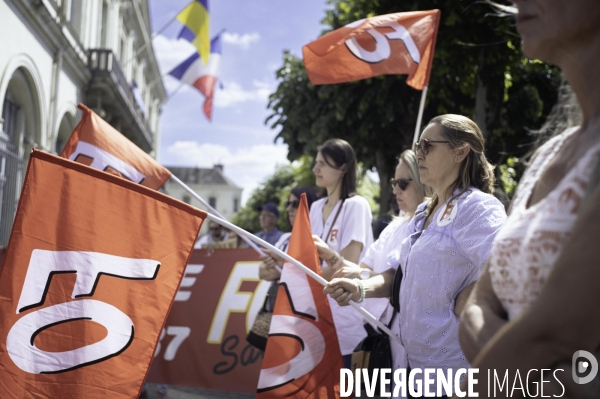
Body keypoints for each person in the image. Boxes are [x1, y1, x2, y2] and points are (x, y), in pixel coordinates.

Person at [459, 1, 600, 395]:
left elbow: (552, 335)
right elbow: (476, 305)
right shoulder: (545, 156)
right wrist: (540, 374)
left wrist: (510, 371)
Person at [324, 115, 506, 396]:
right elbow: (399, 276)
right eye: (418, 145)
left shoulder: (478, 207)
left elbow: (506, 269)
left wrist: (467, 298)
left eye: (427, 145)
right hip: (414, 370)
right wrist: (360, 287)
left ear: (460, 152)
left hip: (456, 375)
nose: (418, 153)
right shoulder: (423, 214)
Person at [314, 149, 426, 375]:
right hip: (389, 336)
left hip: (420, 340)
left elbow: (391, 281)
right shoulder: (393, 228)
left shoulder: (431, 225)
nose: (395, 189)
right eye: (394, 182)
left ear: (425, 180)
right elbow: (363, 271)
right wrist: (330, 256)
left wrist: (360, 287)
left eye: (403, 183)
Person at [309, 138, 374, 368]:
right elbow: (307, 258)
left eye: (323, 163)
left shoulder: (356, 205)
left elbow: (350, 265)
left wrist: (307, 279)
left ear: (343, 168)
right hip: (316, 318)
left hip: (348, 321)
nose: (315, 169)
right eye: (316, 162)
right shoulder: (315, 207)